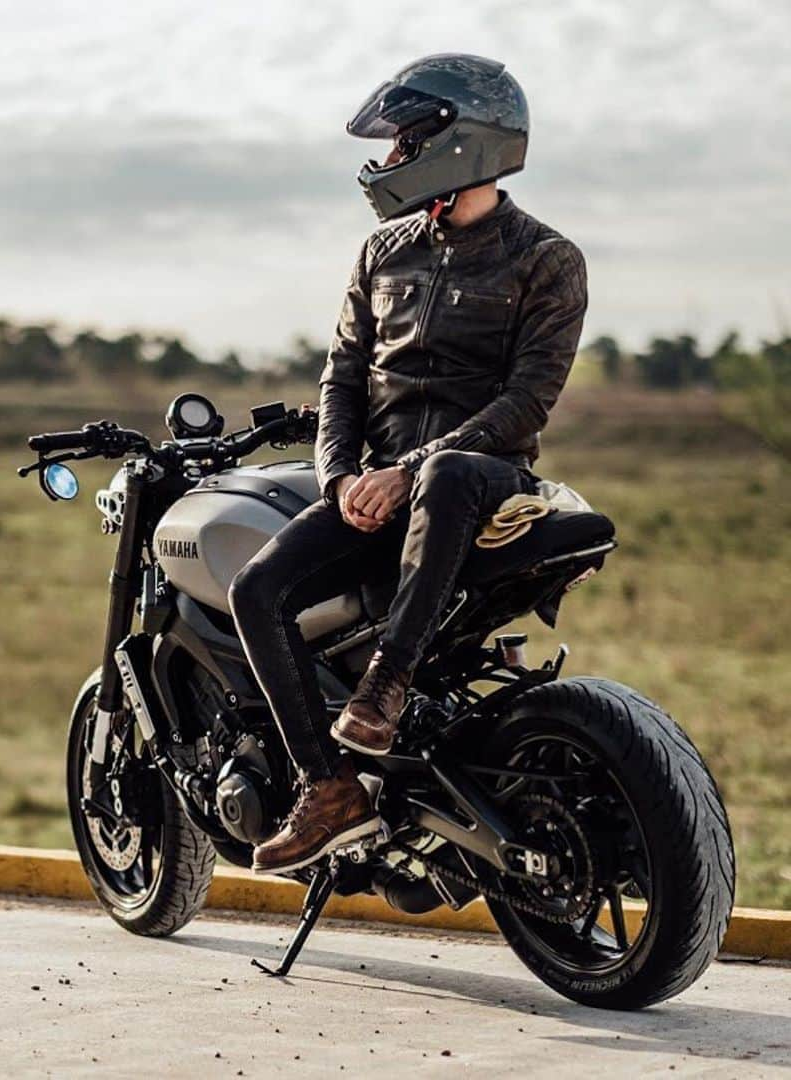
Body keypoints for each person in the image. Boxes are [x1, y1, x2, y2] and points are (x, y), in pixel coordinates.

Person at [227, 54, 589, 875]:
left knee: (449, 472)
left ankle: (386, 686)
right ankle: (329, 789)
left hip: (482, 481)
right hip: (378, 488)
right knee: (257, 587)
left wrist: (412, 467)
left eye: (402, 144)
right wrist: (340, 479)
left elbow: (525, 405)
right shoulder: (379, 252)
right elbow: (341, 380)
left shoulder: (547, 260)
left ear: (459, 144)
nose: (387, 162)